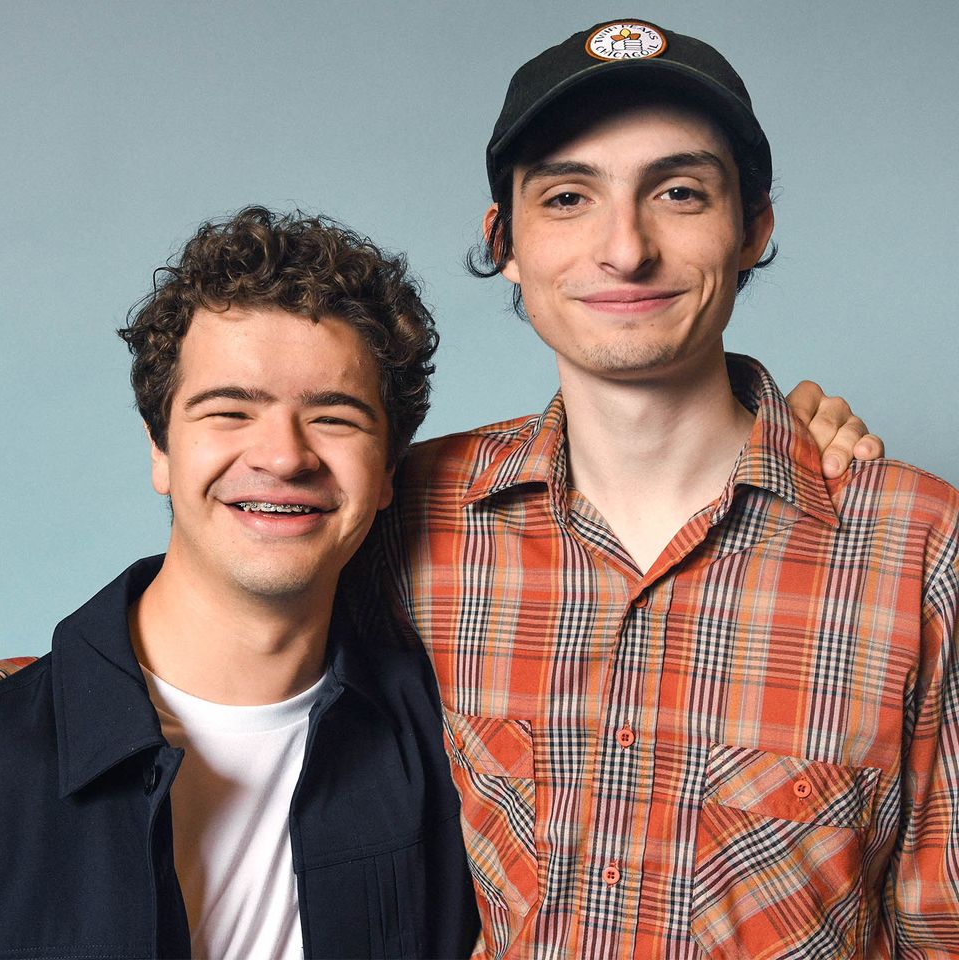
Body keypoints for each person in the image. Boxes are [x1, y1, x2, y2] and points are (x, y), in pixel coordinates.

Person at [374, 18, 959, 958]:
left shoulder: (920, 547)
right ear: (506, 242)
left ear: (754, 228)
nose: (625, 248)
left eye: (679, 192)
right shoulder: (415, 515)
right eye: (568, 197)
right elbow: (216, 670)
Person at [0, 208, 479, 959]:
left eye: (335, 417)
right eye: (229, 410)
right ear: (161, 450)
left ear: (388, 472)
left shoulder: (456, 751)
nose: (284, 457)